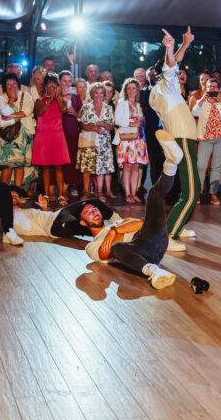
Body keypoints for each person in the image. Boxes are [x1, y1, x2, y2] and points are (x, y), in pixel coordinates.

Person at [81, 130, 186, 288]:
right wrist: (116, 232)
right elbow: (105, 253)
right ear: (83, 223)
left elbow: (140, 224)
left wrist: (114, 231)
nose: (94, 212)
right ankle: (154, 272)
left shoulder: (118, 224)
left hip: (154, 241)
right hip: (139, 255)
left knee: (154, 194)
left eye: (94, 209)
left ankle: (172, 163)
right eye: (88, 213)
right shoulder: (91, 246)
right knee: (117, 247)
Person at [150, 29, 202, 251]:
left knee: (187, 189)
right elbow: (171, 67)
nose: (179, 71)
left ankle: (177, 227)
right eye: (174, 70)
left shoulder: (162, 89)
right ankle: (168, 235)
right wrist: (171, 47)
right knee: (193, 192)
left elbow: (173, 65)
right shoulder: (166, 86)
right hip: (182, 139)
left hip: (184, 139)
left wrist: (184, 44)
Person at [191, 77, 221, 205]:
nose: (213, 89)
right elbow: (194, 112)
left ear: (219, 89)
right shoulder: (202, 101)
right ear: (206, 88)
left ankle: (213, 193)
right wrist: (203, 99)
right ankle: (197, 193)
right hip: (206, 137)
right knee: (201, 165)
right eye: (211, 87)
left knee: (216, 166)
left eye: (215, 87)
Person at [32, 72, 72, 205]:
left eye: (54, 83)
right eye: (50, 83)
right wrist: (49, 99)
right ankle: (47, 195)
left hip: (57, 136)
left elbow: (64, 110)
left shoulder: (60, 100)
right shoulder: (39, 101)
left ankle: (61, 195)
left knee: (59, 166)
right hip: (43, 136)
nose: (52, 85)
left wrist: (57, 97)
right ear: (45, 85)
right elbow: (40, 112)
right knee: (46, 167)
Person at [0, 72, 34, 190]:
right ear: (4, 86)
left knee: (19, 165)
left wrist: (12, 116)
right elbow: (4, 112)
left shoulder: (26, 96)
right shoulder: (1, 98)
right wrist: (11, 100)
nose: (12, 87)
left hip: (23, 136)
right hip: (6, 137)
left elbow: (27, 111)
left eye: (14, 84)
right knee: (7, 166)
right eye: (8, 85)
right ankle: (3, 193)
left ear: (18, 84)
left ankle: (17, 193)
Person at [77, 82, 116, 199]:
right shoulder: (86, 107)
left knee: (102, 168)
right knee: (86, 168)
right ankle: (85, 192)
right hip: (89, 141)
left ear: (104, 94)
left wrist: (104, 124)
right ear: (92, 94)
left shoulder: (108, 108)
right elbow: (82, 124)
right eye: (96, 93)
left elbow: (111, 126)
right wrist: (95, 128)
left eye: (101, 93)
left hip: (104, 143)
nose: (98, 95)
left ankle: (100, 192)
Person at [114, 78, 147, 203]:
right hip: (126, 138)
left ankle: (134, 193)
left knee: (136, 166)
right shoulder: (122, 102)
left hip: (138, 139)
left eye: (134, 88)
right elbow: (117, 120)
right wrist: (132, 123)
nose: (131, 90)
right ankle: (127, 194)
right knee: (127, 166)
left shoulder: (140, 104)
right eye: (128, 88)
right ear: (125, 90)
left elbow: (144, 120)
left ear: (138, 89)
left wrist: (142, 122)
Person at [59, 70, 84, 198]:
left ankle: (73, 185)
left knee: (73, 157)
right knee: (60, 159)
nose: (67, 84)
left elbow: (82, 114)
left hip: (72, 129)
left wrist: (74, 113)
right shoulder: (56, 95)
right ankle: (60, 185)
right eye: (64, 81)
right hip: (58, 130)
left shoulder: (75, 96)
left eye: (69, 81)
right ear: (59, 82)